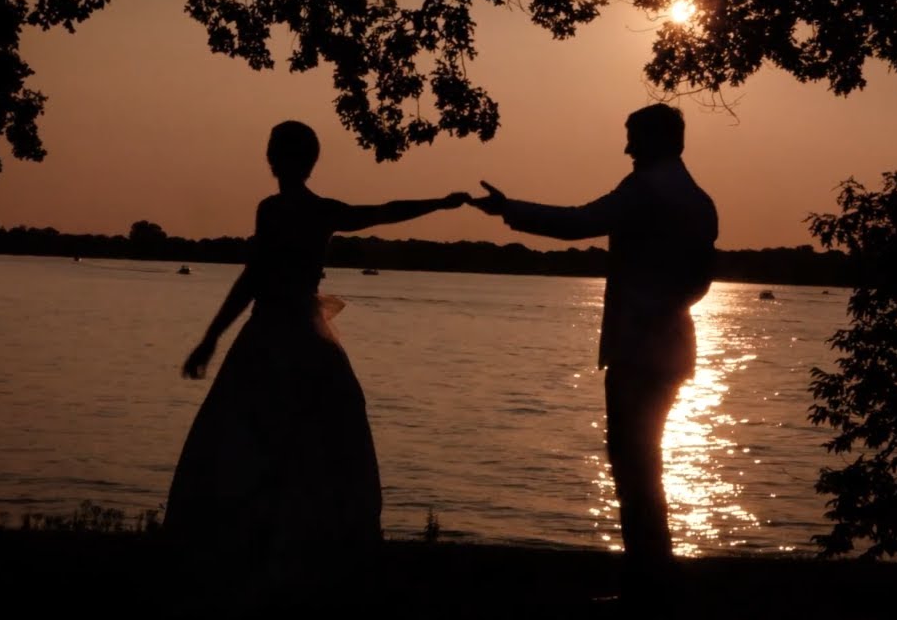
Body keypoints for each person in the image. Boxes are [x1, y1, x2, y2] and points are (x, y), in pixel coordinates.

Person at [164, 120, 468, 608]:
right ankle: (280, 552)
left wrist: (211, 338)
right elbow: (378, 214)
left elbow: (257, 276)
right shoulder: (314, 211)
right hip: (292, 338)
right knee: (284, 445)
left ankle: (280, 556)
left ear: (277, 160)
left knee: (276, 443)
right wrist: (211, 338)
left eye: (275, 153)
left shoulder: (281, 209)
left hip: (277, 339)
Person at [469, 103, 718, 603]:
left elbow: (578, 223)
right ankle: (653, 578)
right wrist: (670, 306)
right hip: (671, 348)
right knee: (644, 463)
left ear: (652, 140)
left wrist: (509, 209)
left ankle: (648, 585)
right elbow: (701, 278)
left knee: (632, 466)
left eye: (632, 138)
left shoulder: (646, 189)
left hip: (637, 351)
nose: (626, 149)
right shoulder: (698, 198)